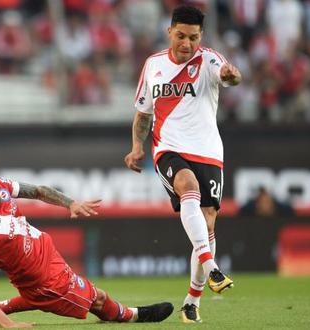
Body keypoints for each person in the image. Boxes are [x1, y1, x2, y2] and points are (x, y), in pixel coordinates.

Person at [0, 157, 173, 328]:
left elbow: (38, 191)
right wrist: (7, 324)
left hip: (48, 257)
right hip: (47, 283)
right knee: (98, 298)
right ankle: (133, 315)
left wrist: (70, 203)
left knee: (44, 298)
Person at [124, 5, 241, 324]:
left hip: (208, 151)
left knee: (208, 222)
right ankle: (212, 267)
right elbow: (144, 112)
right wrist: (137, 147)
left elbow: (230, 76)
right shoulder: (153, 65)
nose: (186, 43)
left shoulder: (210, 59)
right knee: (187, 186)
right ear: (169, 32)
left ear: (200, 36)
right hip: (168, 148)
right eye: (180, 36)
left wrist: (232, 77)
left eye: (193, 37)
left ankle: (191, 301)